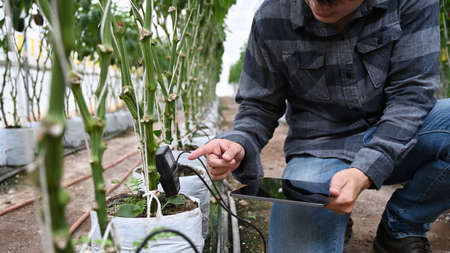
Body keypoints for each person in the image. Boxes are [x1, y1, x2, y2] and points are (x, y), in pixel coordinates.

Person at [189, 0, 450, 252]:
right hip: (320, 148)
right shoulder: (272, 16)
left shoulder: (410, 3)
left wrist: (365, 169)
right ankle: (332, 217)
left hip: (399, 133)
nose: (319, 5)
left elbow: (411, 95)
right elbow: (259, 105)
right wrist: (239, 141)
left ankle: (401, 226)